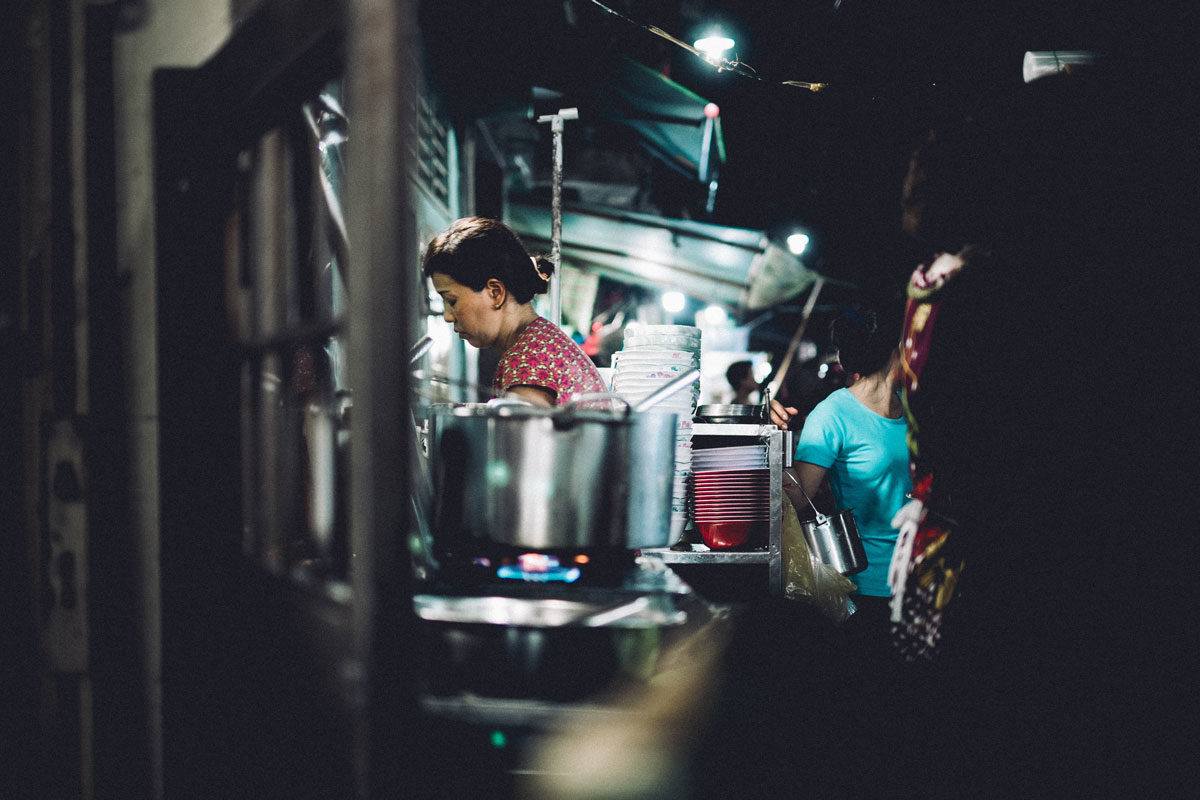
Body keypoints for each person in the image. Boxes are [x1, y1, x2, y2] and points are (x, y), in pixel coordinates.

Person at [771, 305, 910, 655]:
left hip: (922, 581)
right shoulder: (834, 414)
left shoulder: (915, 408)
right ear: (899, 349)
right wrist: (768, 438)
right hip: (869, 587)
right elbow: (799, 495)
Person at [422, 216, 605, 406]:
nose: (447, 316)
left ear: (495, 293)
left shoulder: (529, 362)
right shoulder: (538, 342)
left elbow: (526, 435)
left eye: (452, 300)